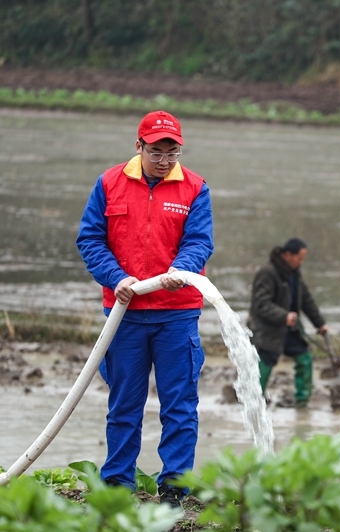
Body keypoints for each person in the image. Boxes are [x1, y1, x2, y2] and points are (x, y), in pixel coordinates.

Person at [76, 110, 214, 509]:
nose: (165, 160)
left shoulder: (195, 188)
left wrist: (180, 270)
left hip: (177, 312)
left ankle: (173, 488)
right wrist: (115, 277)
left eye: (172, 153)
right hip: (124, 312)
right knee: (123, 404)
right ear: (139, 147)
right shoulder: (109, 183)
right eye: (156, 152)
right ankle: (117, 484)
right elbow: (90, 240)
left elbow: (200, 242)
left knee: (180, 406)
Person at [248, 238, 328, 407]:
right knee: (264, 365)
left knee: (304, 358)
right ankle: (254, 402)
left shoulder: (294, 273)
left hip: (290, 328)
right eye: (299, 258)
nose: (301, 262)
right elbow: (261, 304)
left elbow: (306, 299)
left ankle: (302, 401)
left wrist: (319, 323)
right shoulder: (268, 272)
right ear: (287, 255)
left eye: (302, 259)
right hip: (268, 330)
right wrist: (284, 316)